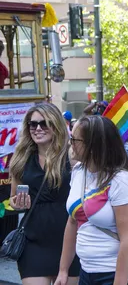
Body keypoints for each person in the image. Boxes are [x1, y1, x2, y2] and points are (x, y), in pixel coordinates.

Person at [56, 115, 128, 285]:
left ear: (92, 145)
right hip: (88, 272)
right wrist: (63, 270)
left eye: (74, 139)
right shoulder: (78, 172)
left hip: (120, 275)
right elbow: (72, 222)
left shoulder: (121, 179)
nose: (71, 144)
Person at [9, 103, 81, 284]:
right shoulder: (21, 158)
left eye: (44, 123)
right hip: (33, 241)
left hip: (71, 240)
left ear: (56, 124)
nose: (38, 128)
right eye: (33, 124)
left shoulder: (72, 156)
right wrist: (17, 203)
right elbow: (12, 198)